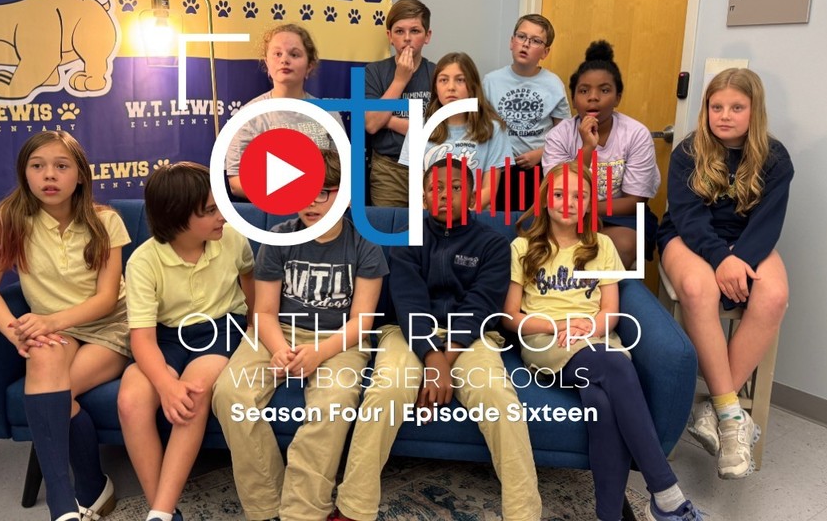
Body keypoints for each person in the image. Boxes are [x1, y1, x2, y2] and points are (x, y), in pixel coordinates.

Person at [329, 158, 542, 521]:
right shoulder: (408, 237)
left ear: (473, 196)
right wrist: (432, 357)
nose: (445, 195)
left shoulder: (492, 244)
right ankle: (354, 508)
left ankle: (524, 513)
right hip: (409, 332)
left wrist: (447, 359)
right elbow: (408, 302)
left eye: (456, 188)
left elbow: (480, 306)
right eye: (435, 188)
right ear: (425, 197)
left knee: (498, 398)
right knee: (387, 390)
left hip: (473, 336)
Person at [503, 161, 704, 521]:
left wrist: (589, 326)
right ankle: (665, 492)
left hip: (595, 337)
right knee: (613, 366)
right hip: (546, 340)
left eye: (578, 196)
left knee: (602, 402)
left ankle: (609, 515)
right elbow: (510, 317)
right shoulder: (522, 247)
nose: (567, 202)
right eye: (560, 194)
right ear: (545, 198)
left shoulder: (603, 246)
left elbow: (611, 313)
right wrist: (561, 323)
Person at [212, 149, 387, 521]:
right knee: (230, 394)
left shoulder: (364, 244)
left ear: (344, 196)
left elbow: (362, 322)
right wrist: (279, 351)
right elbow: (263, 312)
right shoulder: (278, 238)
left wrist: (318, 353)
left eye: (323, 191)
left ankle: (302, 511)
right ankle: (268, 506)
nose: (310, 201)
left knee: (333, 404)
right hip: (279, 331)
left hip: (340, 338)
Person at [0, 130, 128, 521]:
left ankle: (87, 488)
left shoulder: (105, 220)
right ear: (25, 174)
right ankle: (67, 499)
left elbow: (106, 300)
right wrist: (16, 332)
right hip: (55, 330)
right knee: (42, 363)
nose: (49, 176)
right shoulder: (10, 219)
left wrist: (46, 322)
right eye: (37, 166)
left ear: (80, 175)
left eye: (61, 166)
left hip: (110, 327)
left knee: (51, 400)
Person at [657, 68, 793, 480]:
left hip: (749, 242)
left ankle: (717, 411)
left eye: (736, 107)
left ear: (755, 111)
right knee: (700, 290)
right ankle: (734, 418)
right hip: (688, 239)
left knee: (773, 295)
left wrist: (742, 257)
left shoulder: (775, 158)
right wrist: (722, 259)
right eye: (716, 106)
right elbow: (688, 217)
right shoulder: (687, 152)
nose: (725, 115)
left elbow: (768, 223)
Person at [117, 162, 256, 521]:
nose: (222, 216)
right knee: (131, 399)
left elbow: (251, 279)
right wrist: (164, 384)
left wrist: (256, 330)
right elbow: (142, 339)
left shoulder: (232, 238)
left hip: (222, 328)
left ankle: (159, 512)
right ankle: (163, 511)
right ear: (176, 217)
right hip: (165, 336)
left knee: (191, 394)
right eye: (210, 211)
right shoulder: (143, 261)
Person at [541, 40, 660, 268]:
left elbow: (636, 200)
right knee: (550, 246)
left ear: (617, 97)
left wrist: (586, 210)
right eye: (584, 91)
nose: (593, 98)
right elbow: (560, 191)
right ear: (574, 98)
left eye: (604, 90)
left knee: (621, 245)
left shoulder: (636, 134)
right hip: (566, 214)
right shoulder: (559, 135)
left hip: (619, 218)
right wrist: (587, 148)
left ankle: (603, 301)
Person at [225, 23, 343, 199]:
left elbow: (345, 171)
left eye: (294, 54)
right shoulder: (249, 116)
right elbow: (236, 182)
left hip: (319, 208)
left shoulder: (329, 114)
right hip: (271, 212)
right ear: (267, 62)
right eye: (277, 54)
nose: (284, 60)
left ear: (309, 65)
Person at [397, 51, 512, 211]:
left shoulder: (493, 129)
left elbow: (489, 189)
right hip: (430, 217)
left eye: (460, 80)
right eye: (443, 80)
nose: (451, 87)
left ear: (472, 87)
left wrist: (462, 215)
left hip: (473, 218)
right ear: (435, 87)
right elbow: (417, 186)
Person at [483, 13, 570, 212]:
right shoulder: (491, 81)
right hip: (500, 168)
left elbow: (565, 134)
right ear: (511, 42)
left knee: (533, 224)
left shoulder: (553, 84)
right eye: (521, 37)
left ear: (545, 52)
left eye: (536, 41)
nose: (526, 44)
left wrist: (541, 153)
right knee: (501, 223)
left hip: (539, 168)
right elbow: (482, 128)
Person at [364, 0, 435, 207]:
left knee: (428, 232)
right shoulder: (374, 72)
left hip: (429, 167)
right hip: (389, 168)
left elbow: (438, 131)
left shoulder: (438, 73)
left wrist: (391, 121)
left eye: (415, 31)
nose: (407, 38)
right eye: (399, 31)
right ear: (389, 36)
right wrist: (400, 80)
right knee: (389, 230)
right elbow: (372, 124)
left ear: (427, 36)